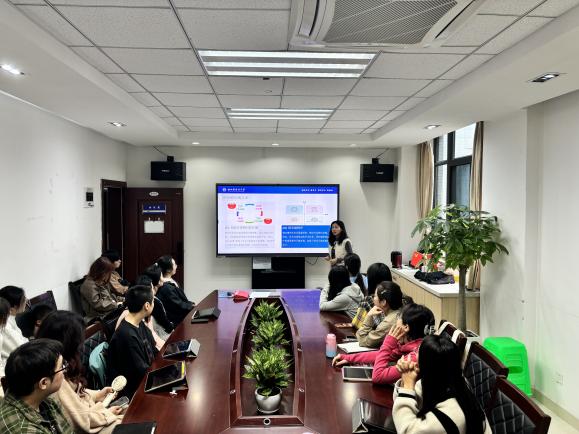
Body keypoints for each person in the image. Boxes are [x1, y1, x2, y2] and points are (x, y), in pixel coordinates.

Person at [36, 311, 124, 433]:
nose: (81, 344)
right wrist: (106, 413)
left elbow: (75, 394)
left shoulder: (63, 362)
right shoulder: (56, 375)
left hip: (92, 413)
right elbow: (79, 419)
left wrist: (98, 394)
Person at [393, 335, 491, 434]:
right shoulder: (453, 380)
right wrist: (406, 380)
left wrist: (407, 386)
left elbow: (406, 430)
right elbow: (403, 402)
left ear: (426, 367)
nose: (415, 356)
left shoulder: (447, 416)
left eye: (418, 352)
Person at [333, 303, 435, 385]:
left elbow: (378, 377)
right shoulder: (410, 345)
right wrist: (349, 358)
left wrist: (388, 344)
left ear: (406, 327)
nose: (396, 323)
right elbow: (382, 355)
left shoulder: (415, 357)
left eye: (399, 318)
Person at [0, 339, 73, 433]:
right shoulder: (25, 430)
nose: (64, 371)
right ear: (44, 383)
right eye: (61, 367)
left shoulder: (42, 399)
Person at [107, 285, 158, 399]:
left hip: (146, 377)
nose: (154, 304)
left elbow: (153, 350)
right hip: (134, 391)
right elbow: (139, 372)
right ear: (147, 306)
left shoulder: (138, 323)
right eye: (153, 301)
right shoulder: (126, 335)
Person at [356, 281, 404, 348]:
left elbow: (362, 341)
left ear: (383, 302)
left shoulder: (388, 322)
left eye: (375, 296)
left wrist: (369, 316)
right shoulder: (400, 311)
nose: (373, 298)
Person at [80, 257, 124, 322]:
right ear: (100, 271)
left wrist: (122, 300)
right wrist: (115, 304)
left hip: (107, 311)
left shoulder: (101, 281)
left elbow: (110, 296)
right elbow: (98, 304)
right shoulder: (89, 285)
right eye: (107, 272)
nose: (108, 274)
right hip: (97, 316)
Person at [155, 255, 194, 325]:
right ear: (168, 270)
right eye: (174, 264)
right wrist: (192, 306)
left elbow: (181, 300)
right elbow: (178, 305)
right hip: (177, 321)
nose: (176, 266)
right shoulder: (166, 287)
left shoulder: (171, 282)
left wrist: (191, 304)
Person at [0, 285, 28, 376]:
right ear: (12, 308)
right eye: (23, 300)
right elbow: (22, 348)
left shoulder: (10, 319)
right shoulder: (5, 326)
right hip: (15, 368)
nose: (26, 301)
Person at [142, 264, 174, 337]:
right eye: (162, 275)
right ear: (158, 281)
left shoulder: (154, 294)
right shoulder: (154, 301)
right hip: (160, 335)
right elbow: (166, 325)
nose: (163, 278)